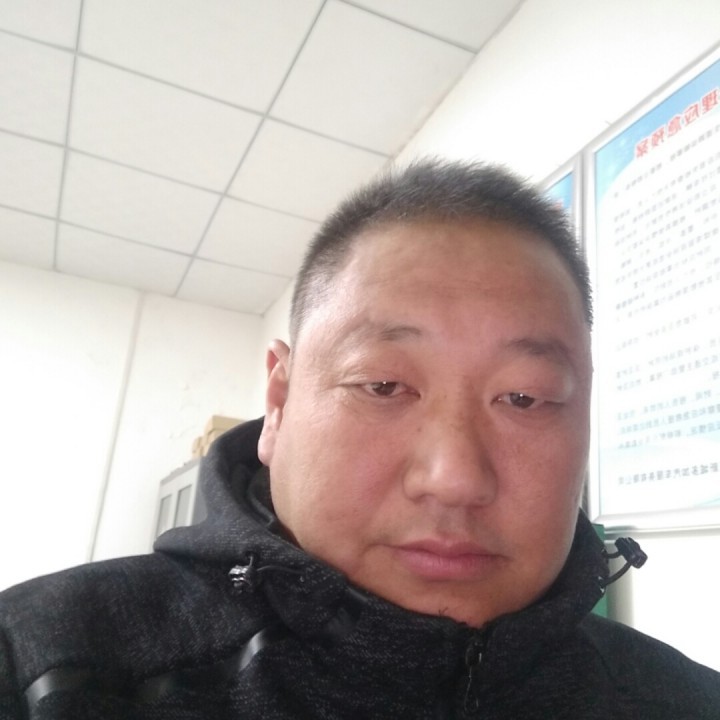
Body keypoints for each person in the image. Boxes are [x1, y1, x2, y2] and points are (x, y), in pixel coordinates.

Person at [1, 160, 718, 719]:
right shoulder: (43, 667)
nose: (454, 478)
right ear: (279, 402)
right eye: (382, 385)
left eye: (524, 397)